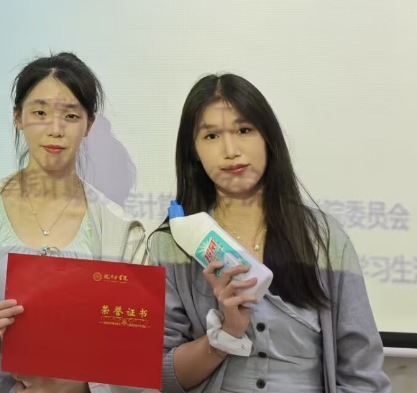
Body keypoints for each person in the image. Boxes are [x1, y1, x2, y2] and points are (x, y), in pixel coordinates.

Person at [0, 52, 147, 393]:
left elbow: (136, 350)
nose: (55, 130)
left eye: (71, 116)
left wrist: (80, 386)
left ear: (88, 125)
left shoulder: (122, 232)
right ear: (18, 118)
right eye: (40, 113)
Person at [148, 74, 390, 393]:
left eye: (244, 130)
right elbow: (159, 376)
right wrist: (224, 336)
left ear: (268, 137)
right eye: (211, 136)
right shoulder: (172, 244)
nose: (231, 150)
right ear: (193, 150)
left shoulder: (324, 239)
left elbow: (363, 375)